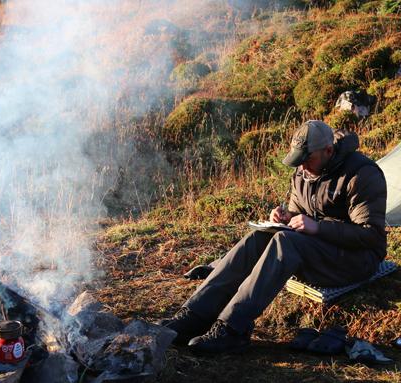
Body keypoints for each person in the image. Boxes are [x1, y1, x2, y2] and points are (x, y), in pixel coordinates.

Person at [161, 120, 387, 354]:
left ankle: (232, 329)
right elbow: (299, 214)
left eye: (307, 160)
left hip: (356, 260)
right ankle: (195, 315)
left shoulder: (362, 174)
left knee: (284, 242)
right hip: (320, 250)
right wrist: (285, 216)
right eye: (298, 161)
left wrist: (318, 228)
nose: (302, 167)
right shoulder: (304, 171)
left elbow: (371, 235)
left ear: (328, 151)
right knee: (259, 237)